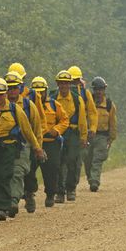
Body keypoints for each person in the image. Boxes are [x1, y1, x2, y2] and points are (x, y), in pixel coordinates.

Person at [0, 78, 43, 221]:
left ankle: (2, 208)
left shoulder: (15, 109)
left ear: (6, 94)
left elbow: (27, 130)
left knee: (5, 175)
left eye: (1, 94)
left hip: (9, 146)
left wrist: (37, 147)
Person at [5, 70, 44, 216]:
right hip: (5, 145)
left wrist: (37, 147)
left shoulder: (28, 105)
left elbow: (37, 128)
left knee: (20, 171)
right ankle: (6, 201)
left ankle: (15, 200)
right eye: (8, 87)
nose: (11, 91)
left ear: (20, 88)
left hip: (24, 145)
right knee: (6, 172)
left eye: (14, 87)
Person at [31, 76, 69, 207]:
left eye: (41, 92)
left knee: (51, 169)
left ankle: (50, 194)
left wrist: (57, 130)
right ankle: (29, 191)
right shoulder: (28, 106)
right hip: (34, 143)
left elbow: (65, 120)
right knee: (29, 169)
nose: (39, 95)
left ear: (46, 91)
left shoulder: (54, 105)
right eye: (36, 92)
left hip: (50, 142)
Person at [51, 70, 87, 203]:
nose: (64, 86)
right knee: (58, 162)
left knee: (72, 160)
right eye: (61, 83)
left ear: (69, 84)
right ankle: (60, 192)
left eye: (66, 83)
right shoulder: (53, 97)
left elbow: (82, 119)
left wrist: (83, 137)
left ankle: (71, 189)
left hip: (73, 133)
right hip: (58, 133)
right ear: (57, 84)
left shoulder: (77, 99)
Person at [67, 65, 98, 186]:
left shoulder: (86, 94)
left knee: (77, 159)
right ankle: (63, 186)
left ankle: (72, 184)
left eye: (76, 81)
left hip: (80, 131)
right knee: (63, 160)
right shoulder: (61, 94)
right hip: (64, 131)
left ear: (80, 81)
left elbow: (92, 112)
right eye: (71, 81)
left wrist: (93, 128)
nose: (74, 84)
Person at [86, 76, 117, 192]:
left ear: (104, 90)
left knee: (97, 159)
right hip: (89, 135)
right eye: (96, 89)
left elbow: (113, 122)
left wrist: (111, 138)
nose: (98, 92)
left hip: (102, 136)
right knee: (87, 159)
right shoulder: (88, 102)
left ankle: (94, 181)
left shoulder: (109, 105)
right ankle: (91, 178)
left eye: (101, 89)